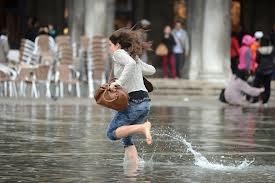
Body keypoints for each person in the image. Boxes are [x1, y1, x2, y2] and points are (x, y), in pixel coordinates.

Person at [107, 27, 156, 164]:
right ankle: (133, 171)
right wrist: (138, 63)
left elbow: (130, 64)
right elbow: (152, 70)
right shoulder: (132, 57)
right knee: (126, 139)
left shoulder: (119, 53)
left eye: (110, 45)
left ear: (117, 45)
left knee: (111, 133)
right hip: (145, 102)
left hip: (133, 102)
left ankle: (143, 127)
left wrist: (118, 82)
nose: (110, 48)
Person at [252, 36, 274, 105]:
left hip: (261, 69)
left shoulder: (259, 50)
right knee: (267, 86)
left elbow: (257, 60)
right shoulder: (272, 49)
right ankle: (265, 101)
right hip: (269, 70)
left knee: (256, 84)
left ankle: (255, 99)